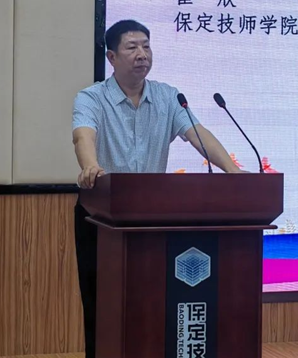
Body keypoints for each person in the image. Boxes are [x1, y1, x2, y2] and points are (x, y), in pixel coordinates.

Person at [71, 19, 242, 358]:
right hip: (100, 216)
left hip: (149, 218)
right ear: (111, 57)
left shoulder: (167, 97)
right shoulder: (91, 98)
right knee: (101, 302)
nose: (142, 54)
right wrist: (90, 166)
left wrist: (233, 171)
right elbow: (83, 136)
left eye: (146, 46)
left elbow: (198, 135)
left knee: (150, 301)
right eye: (132, 47)